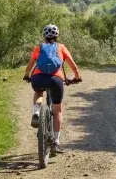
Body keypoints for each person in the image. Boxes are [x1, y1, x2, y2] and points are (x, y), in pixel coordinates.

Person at [22, 24, 81, 153]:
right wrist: (77, 77)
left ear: (44, 36)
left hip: (38, 78)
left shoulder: (39, 47)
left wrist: (26, 75)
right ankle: (56, 142)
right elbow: (73, 65)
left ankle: (36, 112)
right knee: (57, 110)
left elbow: (30, 64)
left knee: (39, 92)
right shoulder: (61, 47)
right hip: (56, 80)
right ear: (56, 36)